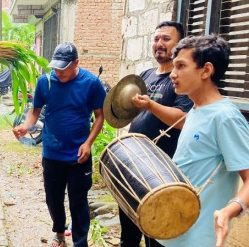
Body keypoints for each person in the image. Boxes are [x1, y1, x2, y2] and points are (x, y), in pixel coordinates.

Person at [13, 42, 107, 247]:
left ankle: (80, 242)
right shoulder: (45, 82)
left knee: (78, 201)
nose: (58, 72)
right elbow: (35, 110)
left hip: (78, 155)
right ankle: (59, 233)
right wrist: (26, 126)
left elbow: (100, 116)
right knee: (53, 199)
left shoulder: (91, 83)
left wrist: (89, 143)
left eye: (63, 68)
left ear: (76, 63)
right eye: (55, 67)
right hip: (52, 153)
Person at [159, 35, 249, 247]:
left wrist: (229, 210)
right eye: (173, 67)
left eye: (181, 66)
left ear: (206, 70)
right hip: (175, 230)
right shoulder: (196, 109)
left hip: (199, 238)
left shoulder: (225, 117)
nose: (173, 74)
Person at [118, 21, 194, 247]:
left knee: (156, 235)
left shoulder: (179, 81)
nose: (159, 44)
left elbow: (183, 119)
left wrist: (151, 105)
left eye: (166, 39)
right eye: (156, 39)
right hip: (134, 164)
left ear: (179, 45)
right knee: (128, 232)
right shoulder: (146, 75)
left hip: (160, 173)